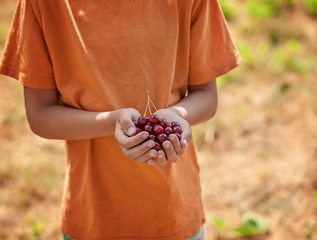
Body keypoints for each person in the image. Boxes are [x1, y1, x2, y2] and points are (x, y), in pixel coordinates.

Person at [0, 0, 241, 239]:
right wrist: (110, 122)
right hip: (93, 216)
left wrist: (176, 116)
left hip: (173, 212)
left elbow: (206, 96)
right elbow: (40, 115)